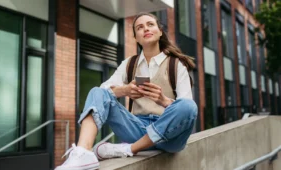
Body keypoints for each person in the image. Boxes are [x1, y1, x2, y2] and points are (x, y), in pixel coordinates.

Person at [55, 12, 198, 170]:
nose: (146, 29)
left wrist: (163, 101)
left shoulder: (176, 65)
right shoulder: (129, 64)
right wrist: (125, 90)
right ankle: (83, 153)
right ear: (136, 37)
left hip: (171, 136)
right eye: (140, 27)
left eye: (150, 24)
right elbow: (103, 92)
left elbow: (187, 110)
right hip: (137, 129)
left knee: (188, 106)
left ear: (160, 31)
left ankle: (129, 149)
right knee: (97, 91)